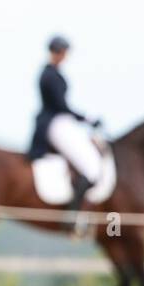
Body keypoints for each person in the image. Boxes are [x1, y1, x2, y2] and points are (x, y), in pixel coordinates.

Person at [28, 35, 102, 234]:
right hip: (55, 123)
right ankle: (73, 215)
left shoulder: (52, 73)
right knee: (89, 165)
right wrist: (86, 118)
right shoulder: (49, 75)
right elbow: (61, 106)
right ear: (58, 52)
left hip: (61, 121)